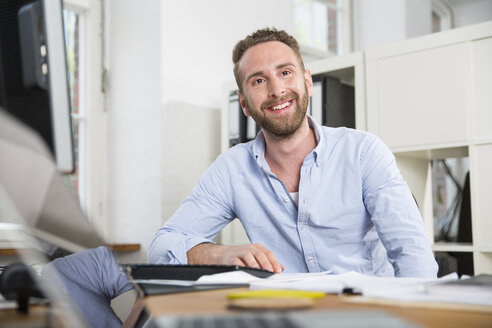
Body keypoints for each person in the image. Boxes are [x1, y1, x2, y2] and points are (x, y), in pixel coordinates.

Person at [148, 27, 438, 277]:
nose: (277, 90)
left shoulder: (364, 152)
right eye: (259, 81)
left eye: (285, 73)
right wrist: (218, 255)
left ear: (307, 82)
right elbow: (162, 246)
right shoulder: (231, 169)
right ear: (244, 104)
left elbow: (413, 254)